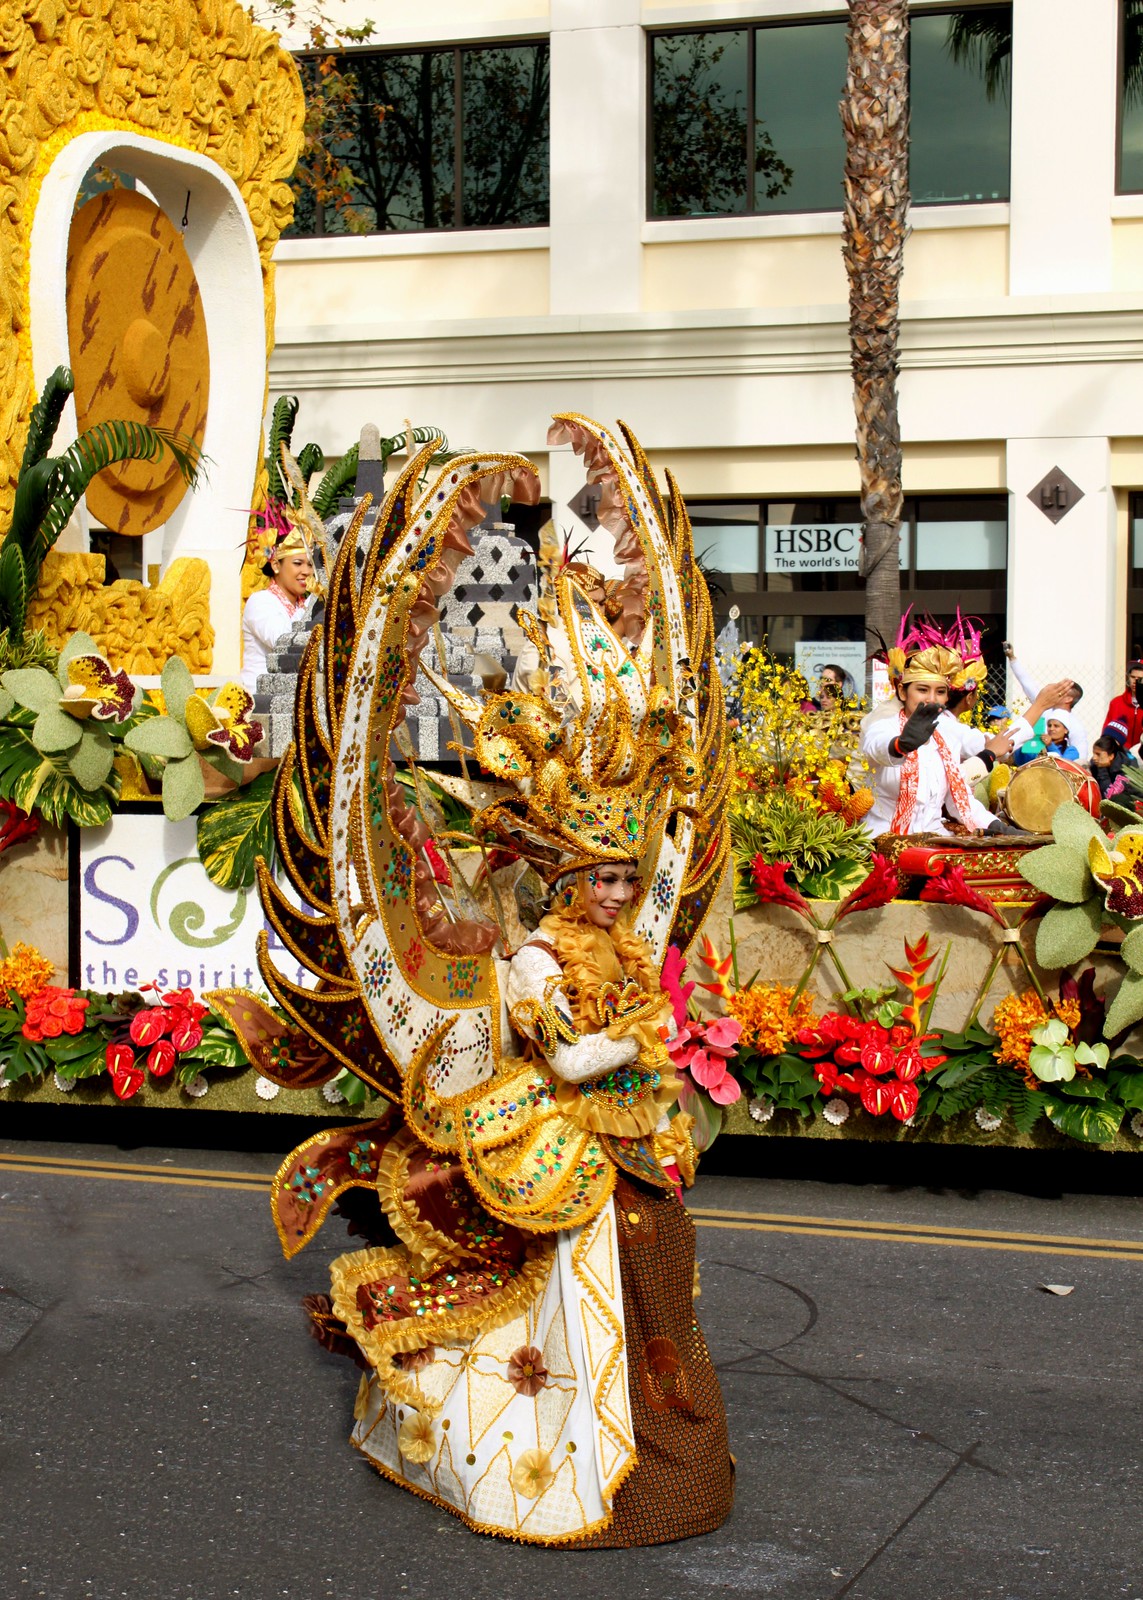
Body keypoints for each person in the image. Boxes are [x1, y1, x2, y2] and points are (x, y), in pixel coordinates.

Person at [248, 415, 734, 1548]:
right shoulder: (528, 956)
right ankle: (589, 1449)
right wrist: (633, 1035)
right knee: (603, 1271)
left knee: (666, 1258)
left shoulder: (613, 940)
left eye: (627, 880)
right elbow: (565, 1055)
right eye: (602, 881)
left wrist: (642, 1022)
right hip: (562, 1142)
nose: (619, 898)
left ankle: (664, 1422)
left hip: (623, 1136)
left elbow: (633, 1010)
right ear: (565, 874)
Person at [860, 612, 1072, 836]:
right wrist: (902, 744)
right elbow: (878, 748)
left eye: (940, 692)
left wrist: (999, 828)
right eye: (922, 690)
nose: (932, 699)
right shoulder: (884, 727)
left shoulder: (946, 739)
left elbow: (961, 800)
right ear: (902, 691)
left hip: (934, 840)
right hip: (884, 839)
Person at [239, 525, 313, 692]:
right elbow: (283, 643)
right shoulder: (260, 602)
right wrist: (316, 599)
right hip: (258, 700)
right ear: (276, 565)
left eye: (310, 565)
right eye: (298, 563)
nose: (306, 571)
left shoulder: (303, 605)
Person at [1003, 642, 1089, 761]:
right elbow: (1028, 684)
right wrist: (1012, 659)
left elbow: (1081, 759)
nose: (1051, 728)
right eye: (1049, 725)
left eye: (1062, 690)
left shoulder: (1075, 726)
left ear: (1069, 699)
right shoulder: (1044, 709)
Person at [1102, 662, 1143, 753]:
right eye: (1132, 677)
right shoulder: (1116, 703)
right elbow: (1107, 731)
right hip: (1119, 754)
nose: (1135, 681)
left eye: (1140, 679)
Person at [1091, 728, 1137, 798]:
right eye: (1094, 753)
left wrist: (1102, 770)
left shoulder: (1125, 768)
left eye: (1098, 754)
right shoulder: (1095, 764)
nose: (1094, 758)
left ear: (1111, 756)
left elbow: (1111, 796)